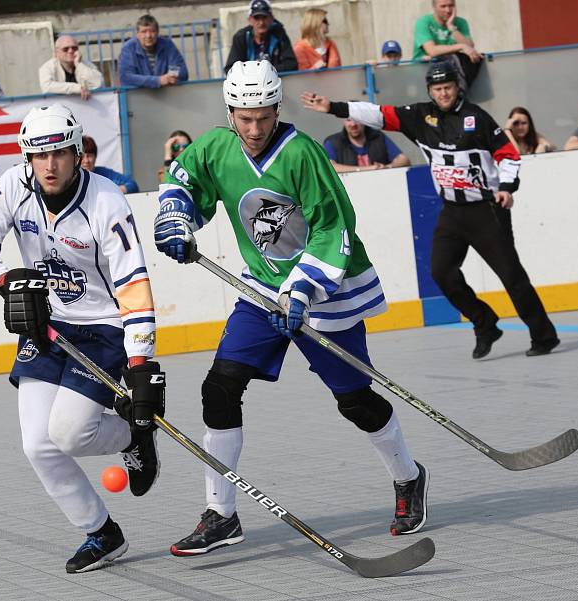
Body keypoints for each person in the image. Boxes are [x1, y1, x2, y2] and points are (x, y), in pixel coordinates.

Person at [154, 60, 428, 556]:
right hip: (262, 290)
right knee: (219, 386)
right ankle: (221, 515)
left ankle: (407, 476)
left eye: (263, 116)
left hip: (325, 290)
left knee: (355, 400)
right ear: (230, 111)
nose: (254, 128)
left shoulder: (302, 153)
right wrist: (175, 218)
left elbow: (332, 229)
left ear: (276, 108)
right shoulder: (216, 146)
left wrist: (302, 291)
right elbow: (184, 183)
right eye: (244, 117)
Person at [0, 104, 164, 573]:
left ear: (77, 153)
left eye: (60, 154)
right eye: (38, 156)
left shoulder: (107, 203)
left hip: (104, 327)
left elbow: (134, 285)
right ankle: (101, 533)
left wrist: (140, 365)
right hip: (48, 323)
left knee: (69, 434)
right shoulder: (14, 186)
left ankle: (134, 433)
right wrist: (8, 281)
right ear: (27, 158)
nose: (49, 166)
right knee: (38, 444)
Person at [301, 60, 560, 358]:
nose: (443, 94)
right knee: (441, 272)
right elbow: (379, 114)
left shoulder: (477, 117)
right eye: (437, 89)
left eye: (448, 87)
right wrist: (333, 106)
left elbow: (508, 155)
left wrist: (506, 188)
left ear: (457, 87)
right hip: (451, 211)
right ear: (430, 91)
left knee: (511, 276)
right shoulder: (420, 116)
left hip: (486, 210)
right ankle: (484, 322)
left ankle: (544, 336)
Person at [412, 0, 482, 92]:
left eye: (451, 6)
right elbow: (432, 51)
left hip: (451, 76)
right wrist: (460, 46)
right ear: (434, 7)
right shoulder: (423, 22)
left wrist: (452, 28)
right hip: (425, 74)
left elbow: (469, 47)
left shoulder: (461, 22)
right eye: (443, 6)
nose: (448, 10)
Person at [225, 0, 297, 74]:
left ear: (271, 18)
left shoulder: (279, 34)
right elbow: (230, 69)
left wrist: (267, 71)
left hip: (273, 81)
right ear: (250, 20)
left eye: (264, 17)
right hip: (248, 83)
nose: (261, 22)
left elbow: (292, 64)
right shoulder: (241, 37)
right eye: (257, 18)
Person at [118, 14, 189, 89]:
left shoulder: (168, 45)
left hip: (166, 95)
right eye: (144, 32)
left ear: (157, 33)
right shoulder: (128, 48)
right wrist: (157, 81)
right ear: (137, 34)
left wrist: (169, 77)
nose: (148, 35)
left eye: (152, 31)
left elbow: (182, 71)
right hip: (139, 96)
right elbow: (125, 77)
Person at [323, 118, 410, 173]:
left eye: (357, 119)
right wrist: (368, 169)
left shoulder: (378, 137)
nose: (353, 124)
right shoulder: (333, 142)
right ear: (344, 122)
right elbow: (330, 168)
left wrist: (387, 167)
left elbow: (404, 160)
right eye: (349, 120)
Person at [39, 35, 103, 100]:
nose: (70, 51)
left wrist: (78, 64)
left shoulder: (85, 64)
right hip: (60, 106)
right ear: (57, 52)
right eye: (65, 49)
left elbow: (98, 83)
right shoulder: (47, 67)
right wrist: (77, 88)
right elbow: (46, 87)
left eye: (74, 48)